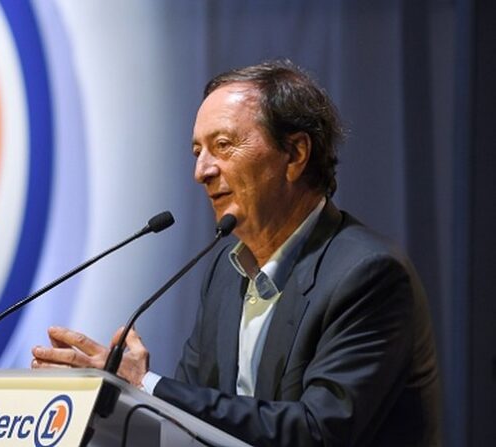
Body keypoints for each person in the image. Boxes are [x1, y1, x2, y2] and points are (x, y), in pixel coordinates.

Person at [31, 60, 441, 446]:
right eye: (197, 152)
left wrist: (147, 385)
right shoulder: (226, 274)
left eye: (223, 145)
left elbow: (318, 432)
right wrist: (116, 396)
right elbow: (191, 422)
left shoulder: (367, 275)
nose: (202, 172)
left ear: (295, 154)